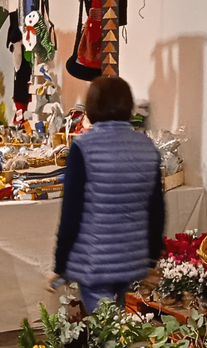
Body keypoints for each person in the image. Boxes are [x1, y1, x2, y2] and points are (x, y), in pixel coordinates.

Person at [50, 76, 165, 311]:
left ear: (91, 107)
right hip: (134, 260)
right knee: (128, 332)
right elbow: (157, 209)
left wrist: (60, 264)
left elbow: (71, 213)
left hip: (95, 263)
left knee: (105, 336)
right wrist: (152, 257)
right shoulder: (147, 147)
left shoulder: (83, 147)